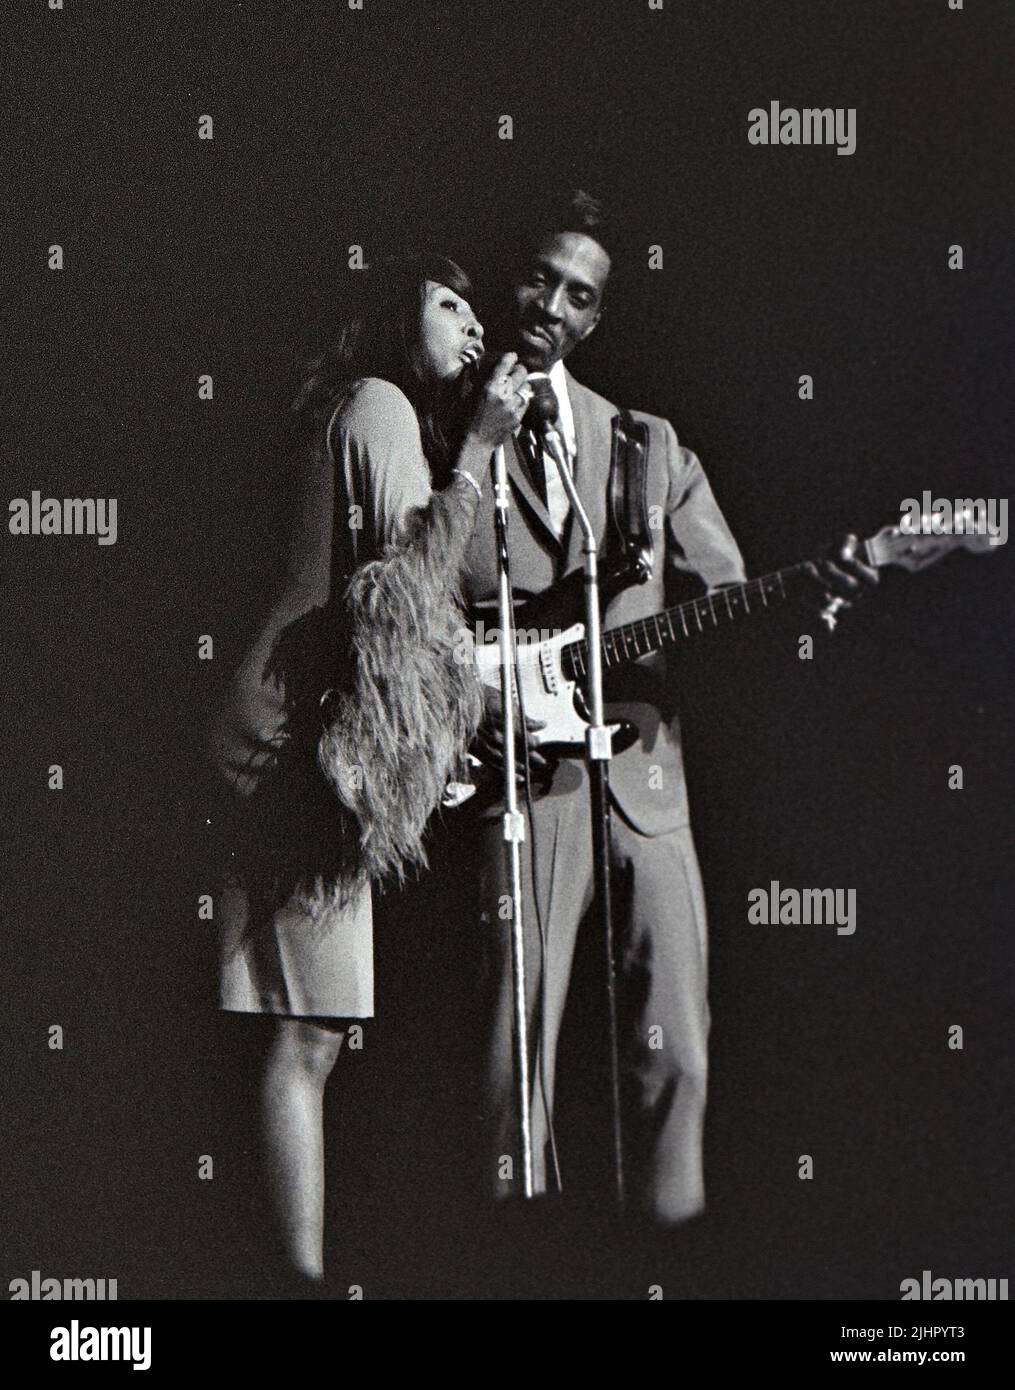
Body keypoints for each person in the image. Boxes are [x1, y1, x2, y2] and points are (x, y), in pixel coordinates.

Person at [451, 191, 878, 1223]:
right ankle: (506, 1254)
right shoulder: (445, 414)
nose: (552, 305)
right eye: (539, 278)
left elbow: (727, 605)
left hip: (643, 774)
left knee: (678, 1048)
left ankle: (670, 1250)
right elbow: (404, 584)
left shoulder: (646, 443)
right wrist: (467, 701)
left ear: (597, 318)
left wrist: (804, 600)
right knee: (513, 1049)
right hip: (519, 772)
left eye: (578, 295)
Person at [206, 253, 531, 1286]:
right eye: (449, 305)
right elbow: (403, 592)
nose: (473, 326)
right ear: (398, 312)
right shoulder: (381, 403)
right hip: (293, 749)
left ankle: (286, 1271)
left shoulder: (352, 405)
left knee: (310, 1027)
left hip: (280, 737)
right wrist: (479, 448)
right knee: (308, 1033)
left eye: (475, 311)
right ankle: (297, 1283)